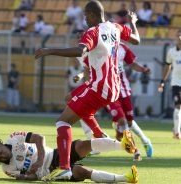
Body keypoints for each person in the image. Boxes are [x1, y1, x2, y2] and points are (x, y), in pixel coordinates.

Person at [34, 0, 140, 180]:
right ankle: (103, 135)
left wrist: (49, 50)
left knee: (62, 122)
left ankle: (65, 168)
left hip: (99, 87)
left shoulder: (93, 32)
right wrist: (133, 23)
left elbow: (79, 51)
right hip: (113, 87)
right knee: (72, 100)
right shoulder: (116, 27)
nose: (85, 19)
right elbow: (136, 40)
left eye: (85, 15)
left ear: (92, 14)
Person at [0, 130, 138, 183]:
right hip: (50, 172)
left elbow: (39, 138)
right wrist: (28, 177)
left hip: (54, 154)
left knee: (82, 144)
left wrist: (40, 159)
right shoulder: (7, 169)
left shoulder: (14, 138)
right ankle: (126, 178)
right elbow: (33, 177)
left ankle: (123, 145)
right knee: (81, 172)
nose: (2, 156)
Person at [158, 29, 181, 140]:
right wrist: (162, 82)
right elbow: (167, 67)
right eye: (178, 35)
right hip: (176, 82)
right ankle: (177, 131)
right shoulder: (172, 52)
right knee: (178, 106)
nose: (179, 37)